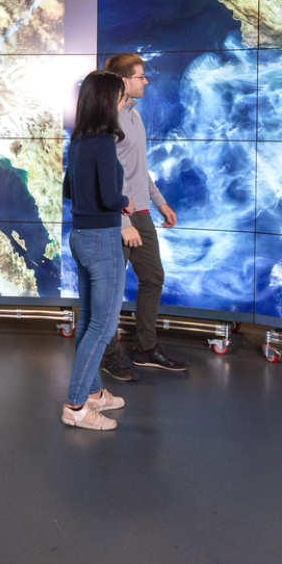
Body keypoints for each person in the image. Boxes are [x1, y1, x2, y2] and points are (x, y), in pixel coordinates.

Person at [98, 53, 186, 382]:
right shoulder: (106, 120)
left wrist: (161, 203)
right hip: (116, 217)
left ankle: (145, 349)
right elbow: (103, 177)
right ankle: (108, 356)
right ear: (124, 81)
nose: (146, 81)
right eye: (140, 76)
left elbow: (138, 170)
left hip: (143, 213)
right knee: (110, 290)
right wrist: (123, 224)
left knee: (153, 278)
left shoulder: (134, 116)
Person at [61, 71, 135, 431]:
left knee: (89, 320)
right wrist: (124, 202)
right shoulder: (103, 143)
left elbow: (68, 191)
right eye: (121, 96)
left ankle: (92, 393)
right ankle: (76, 406)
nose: (124, 101)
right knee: (102, 327)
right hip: (103, 240)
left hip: (80, 236)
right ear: (109, 101)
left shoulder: (79, 141)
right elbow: (109, 197)